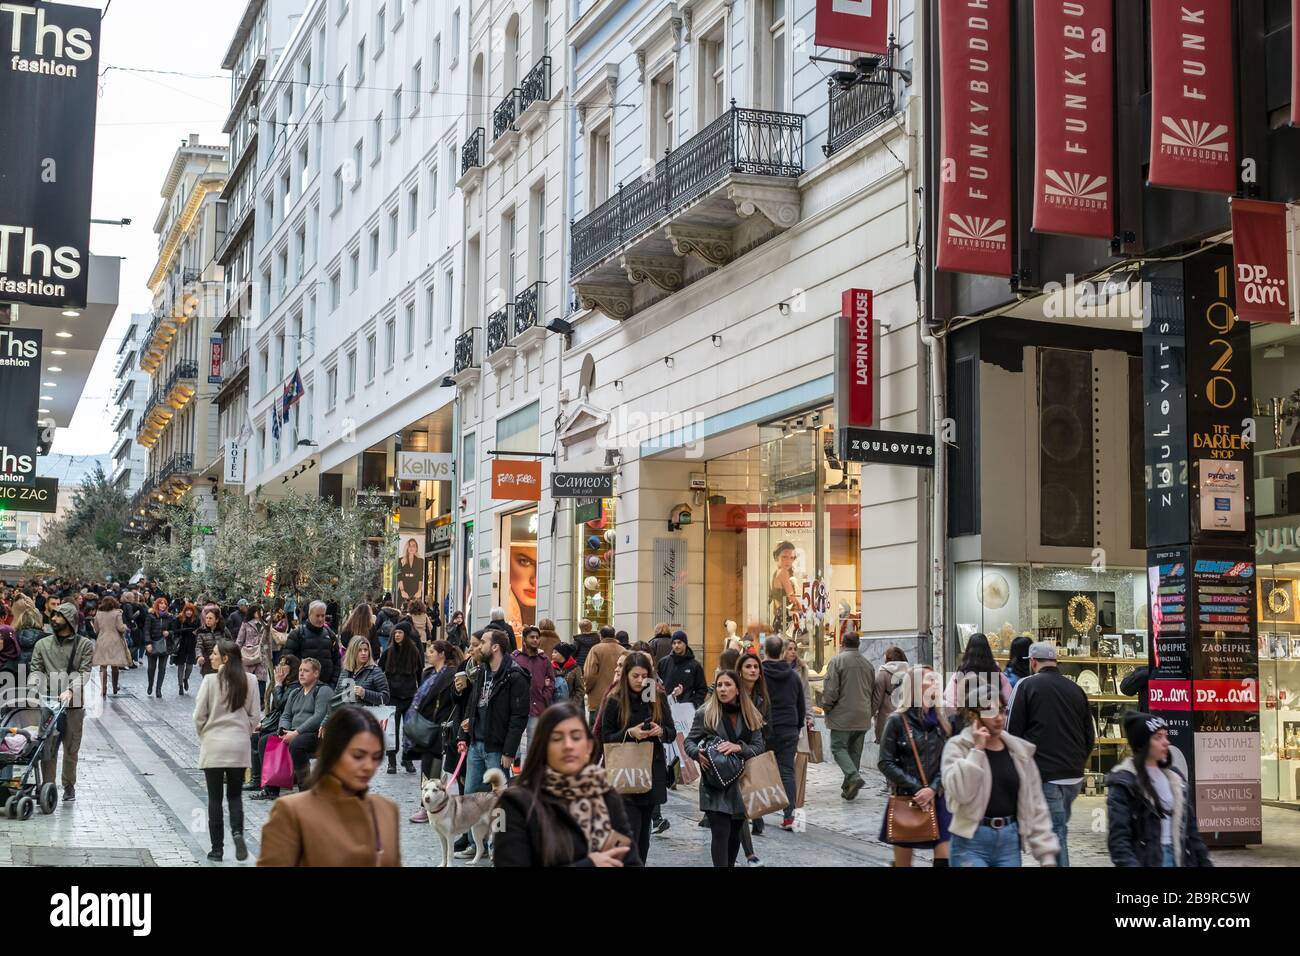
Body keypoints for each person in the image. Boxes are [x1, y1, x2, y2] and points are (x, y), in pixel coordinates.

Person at [494, 701, 642, 867]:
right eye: (557, 738)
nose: (568, 746)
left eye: (576, 737)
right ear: (543, 747)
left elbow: (630, 861)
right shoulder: (515, 803)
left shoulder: (606, 795)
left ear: (589, 747)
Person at [257, 707, 401, 866]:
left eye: (376, 757)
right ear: (334, 753)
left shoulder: (386, 810)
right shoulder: (291, 812)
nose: (368, 766)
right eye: (358, 755)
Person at [1006, 641, 1093, 867]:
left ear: (1033, 662)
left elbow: (1011, 732)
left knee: (1055, 834)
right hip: (1073, 775)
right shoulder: (1076, 689)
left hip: (1045, 774)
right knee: (1057, 828)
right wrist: (1078, 761)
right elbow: (1089, 734)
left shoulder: (1026, 686)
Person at [941, 704, 1059, 867]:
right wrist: (977, 751)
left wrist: (1046, 855)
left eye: (1002, 710)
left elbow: (1036, 804)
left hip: (1009, 842)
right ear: (973, 715)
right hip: (970, 842)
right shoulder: (958, 746)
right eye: (991, 711)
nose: (999, 717)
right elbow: (961, 793)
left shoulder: (1019, 751)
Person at [1105, 713, 1212, 868]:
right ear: (1143, 743)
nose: (1166, 742)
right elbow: (1119, 839)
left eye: (1166, 736)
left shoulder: (1175, 778)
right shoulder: (1124, 782)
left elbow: (1191, 830)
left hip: (1178, 857)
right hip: (1147, 859)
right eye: (1158, 737)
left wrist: (1204, 861)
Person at [598, 651, 676, 864]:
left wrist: (660, 731)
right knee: (630, 832)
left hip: (650, 772)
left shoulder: (656, 698)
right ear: (626, 676)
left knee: (643, 836)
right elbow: (606, 739)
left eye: (644, 676)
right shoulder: (615, 700)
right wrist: (629, 733)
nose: (641, 681)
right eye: (635, 676)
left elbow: (671, 732)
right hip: (625, 773)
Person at [683, 670, 767, 868]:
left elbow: (759, 746)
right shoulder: (706, 712)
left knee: (735, 832)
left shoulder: (750, 714)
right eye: (719, 685)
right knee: (720, 832)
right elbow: (689, 741)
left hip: (741, 783)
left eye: (728, 685)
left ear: (737, 689)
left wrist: (740, 747)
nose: (722, 689)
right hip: (715, 782)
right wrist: (697, 753)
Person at [878, 665, 954, 867]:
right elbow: (885, 762)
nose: (935, 684)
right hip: (907, 798)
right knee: (903, 863)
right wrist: (918, 788)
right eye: (930, 680)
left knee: (945, 859)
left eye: (936, 680)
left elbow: (948, 761)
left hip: (937, 798)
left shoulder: (942, 721)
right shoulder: (896, 720)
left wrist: (932, 788)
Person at [193, 639, 261, 862]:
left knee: (214, 798)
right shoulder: (250, 680)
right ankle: (238, 833)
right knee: (234, 796)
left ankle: (217, 849)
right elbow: (255, 716)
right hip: (239, 746)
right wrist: (243, 732)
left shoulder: (210, 681)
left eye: (214, 653)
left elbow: (198, 715)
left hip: (214, 745)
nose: (211, 657)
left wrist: (205, 734)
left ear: (225, 658)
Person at [28, 603, 93, 802]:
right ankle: (48, 787)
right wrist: (33, 687)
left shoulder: (84, 645)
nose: (53, 619)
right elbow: (36, 669)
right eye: (53, 615)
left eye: (58, 616)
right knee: (47, 747)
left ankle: (68, 785)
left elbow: (85, 672)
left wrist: (71, 690)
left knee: (71, 748)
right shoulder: (42, 644)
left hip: (73, 704)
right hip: (48, 703)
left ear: (69, 620)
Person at [458, 630, 529, 799]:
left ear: (495, 647)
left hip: (497, 748)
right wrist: (466, 730)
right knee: (470, 797)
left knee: (497, 800)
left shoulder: (515, 676)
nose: (479, 647)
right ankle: (472, 827)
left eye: (483, 643)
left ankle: (497, 826)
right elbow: (473, 703)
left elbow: (518, 717)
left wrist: (509, 751)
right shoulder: (482, 671)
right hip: (476, 744)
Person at [251, 657, 332, 799]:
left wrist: (296, 732)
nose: (301, 673)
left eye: (306, 671)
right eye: (300, 670)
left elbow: (319, 716)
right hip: (293, 732)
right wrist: (283, 730)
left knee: (297, 744)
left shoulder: (323, 690)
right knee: (264, 740)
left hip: (315, 734)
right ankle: (271, 789)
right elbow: (286, 715)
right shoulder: (295, 693)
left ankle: (305, 791)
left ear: (316, 674)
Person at [406, 640, 465, 823]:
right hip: (427, 725)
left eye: (431, 651)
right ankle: (427, 805)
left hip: (441, 726)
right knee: (427, 765)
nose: (428, 654)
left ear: (441, 654)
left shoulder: (450, 675)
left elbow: (452, 701)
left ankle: (430, 807)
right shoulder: (429, 673)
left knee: (435, 767)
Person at [760, 635, 808, 830]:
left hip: (765, 728)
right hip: (788, 728)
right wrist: (797, 727)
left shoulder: (760, 674)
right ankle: (789, 817)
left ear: (765, 651)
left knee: (760, 770)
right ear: (781, 652)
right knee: (787, 771)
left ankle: (758, 816)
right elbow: (801, 705)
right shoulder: (793, 676)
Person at [821, 631, 875, 800]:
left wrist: (826, 706)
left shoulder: (837, 661)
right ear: (858, 644)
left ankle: (853, 777)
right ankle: (848, 786)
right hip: (863, 714)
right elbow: (873, 690)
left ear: (842, 643)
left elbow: (831, 690)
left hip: (842, 714)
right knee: (855, 752)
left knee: (838, 748)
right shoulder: (868, 664)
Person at [249, 654, 300, 793]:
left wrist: (277, 684)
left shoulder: (294, 685)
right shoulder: (287, 683)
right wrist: (264, 723)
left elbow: (280, 704)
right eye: (280, 664)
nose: (279, 668)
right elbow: (275, 712)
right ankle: (257, 779)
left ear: (292, 668)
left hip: (289, 727)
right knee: (255, 737)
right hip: (278, 723)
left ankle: (268, 784)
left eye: (284, 664)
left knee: (264, 740)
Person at [379, 620, 423, 773]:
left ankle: (407, 759)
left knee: (409, 730)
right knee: (392, 731)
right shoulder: (388, 651)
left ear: (406, 634)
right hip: (393, 697)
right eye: (395, 632)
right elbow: (379, 671)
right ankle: (392, 761)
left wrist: (421, 694)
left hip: (410, 696)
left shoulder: (414, 651)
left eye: (400, 632)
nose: (397, 635)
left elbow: (419, 673)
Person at [511, 623, 556, 764]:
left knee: (533, 741)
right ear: (524, 639)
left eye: (537, 637)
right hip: (517, 706)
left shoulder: (544, 660)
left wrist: (545, 695)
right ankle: (515, 766)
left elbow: (552, 680)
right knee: (514, 739)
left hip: (537, 705)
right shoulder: (515, 657)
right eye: (532, 637)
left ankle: (529, 770)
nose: (535, 640)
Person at [944, 632, 1012, 712]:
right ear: (988, 651)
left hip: (967, 720)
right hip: (991, 719)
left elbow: (950, 701)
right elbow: (1009, 700)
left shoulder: (959, 675)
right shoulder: (997, 675)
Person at [284, 601, 340, 688]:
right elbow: (287, 661)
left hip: (326, 687)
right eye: (317, 616)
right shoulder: (297, 634)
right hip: (302, 688)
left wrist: (333, 684)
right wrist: (296, 685)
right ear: (310, 615)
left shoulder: (330, 635)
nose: (321, 619)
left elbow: (337, 661)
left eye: (323, 615)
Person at [582, 625, 626, 724]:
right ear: (614, 635)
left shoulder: (596, 649)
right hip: (619, 696)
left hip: (598, 698)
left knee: (595, 730)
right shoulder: (623, 650)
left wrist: (587, 689)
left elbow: (589, 674)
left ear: (600, 636)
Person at [90, 595, 131, 697]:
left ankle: (103, 688)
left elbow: (96, 629)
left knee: (103, 666)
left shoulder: (98, 614)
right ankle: (114, 687)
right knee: (115, 665)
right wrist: (125, 627)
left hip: (102, 640)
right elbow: (120, 628)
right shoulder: (117, 613)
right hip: (115, 641)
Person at [338, 636, 391, 714]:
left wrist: (365, 693)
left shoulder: (375, 671)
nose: (363, 653)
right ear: (353, 652)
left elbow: (385, 697)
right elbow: (336, 699)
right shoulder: (346, 671)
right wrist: (325, 723)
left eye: (366, 650)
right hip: (347, 718)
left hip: (366, 719)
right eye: (359, 650)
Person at [657, 630, 708, 709]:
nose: (676, 645)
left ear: (685, 644)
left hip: (687, 708)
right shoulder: (663, 663)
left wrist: (695, 703)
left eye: (679, 642)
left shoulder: (695, 665)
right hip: (666, 707)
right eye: (674, 643)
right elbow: (657, 684)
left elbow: (702, 688)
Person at [236, 605, 272, 702]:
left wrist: (269, 655)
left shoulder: (266, 624)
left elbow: (268, 641)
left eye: (260, 610)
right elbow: (240, 639)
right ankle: (247, 699)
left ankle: (261, 700)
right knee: (248, 678)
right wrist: (235, 653)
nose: (259, 613)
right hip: (248, 654)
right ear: (252, 612)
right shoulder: (246, 624)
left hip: (262, 654)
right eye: (257, 611)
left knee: (261, 678)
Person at [873, 646, 909, 742]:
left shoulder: (883, 674)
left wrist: (870, 714)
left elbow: (877, 699)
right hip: (906, 718)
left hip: (887, 719)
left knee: (887, 751)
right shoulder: (910, 672)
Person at [770, 541, 804, 634]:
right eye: (784, 557)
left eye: (791, 558)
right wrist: (803, 611)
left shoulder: (776, 573)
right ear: (777, 557)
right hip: (786, 619)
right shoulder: (783, 572)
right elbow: (792, 598)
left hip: (780, 617)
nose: (788, 561)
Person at [144, 597, 176, 699]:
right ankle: (150, 684)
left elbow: (174, 630)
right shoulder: (151, 616)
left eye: (165, 604)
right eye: (160, 603)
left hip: (164, 645)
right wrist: (148, 643)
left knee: (162, 668)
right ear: (157, 604)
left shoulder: (169, 617)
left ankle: (158, 689)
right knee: (151, 668)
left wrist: (169, 633)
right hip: (152, 644)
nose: (163, 605)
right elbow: (146, 630)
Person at [194, 605, 229, 680]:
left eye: (210, 618)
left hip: (222, 663)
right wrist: (199, 656)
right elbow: (199, 646)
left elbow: (230, 644)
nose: (208, 620)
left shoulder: (223, 631)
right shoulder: (201, 632)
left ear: (216, 620)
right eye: (206, 618)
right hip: (207, 663)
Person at [551, 642, 585, 716]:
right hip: (554, 708)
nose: (552, 654)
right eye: (553, 652)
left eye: (555, 652)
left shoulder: (575, 669)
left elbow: (580, 690)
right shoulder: (550, 667)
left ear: (563, 654)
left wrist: (573, 706)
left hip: (570, 708)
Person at [172, 602, 200, 693]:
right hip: (181, 645)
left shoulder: (196, 620)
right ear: (184, 611)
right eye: (187, 610)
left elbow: (200, 630)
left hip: (192, 645)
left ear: (193, 611)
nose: (188, 612)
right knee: (181, 666)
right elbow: (175, 631)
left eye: (190, 611)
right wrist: (187, 630)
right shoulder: (179, 619)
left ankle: (186, 679)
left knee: (189, 666)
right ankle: (180, 685)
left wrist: (196, 632)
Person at [783, 639, 814, 717]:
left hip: (798, 713)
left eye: (795, 649)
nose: (793, 651)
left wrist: (809, 716)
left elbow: (806, 693)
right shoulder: (778, 669)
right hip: (783, 714)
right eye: (790, 649)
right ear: (783, 651)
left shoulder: (802, 668)